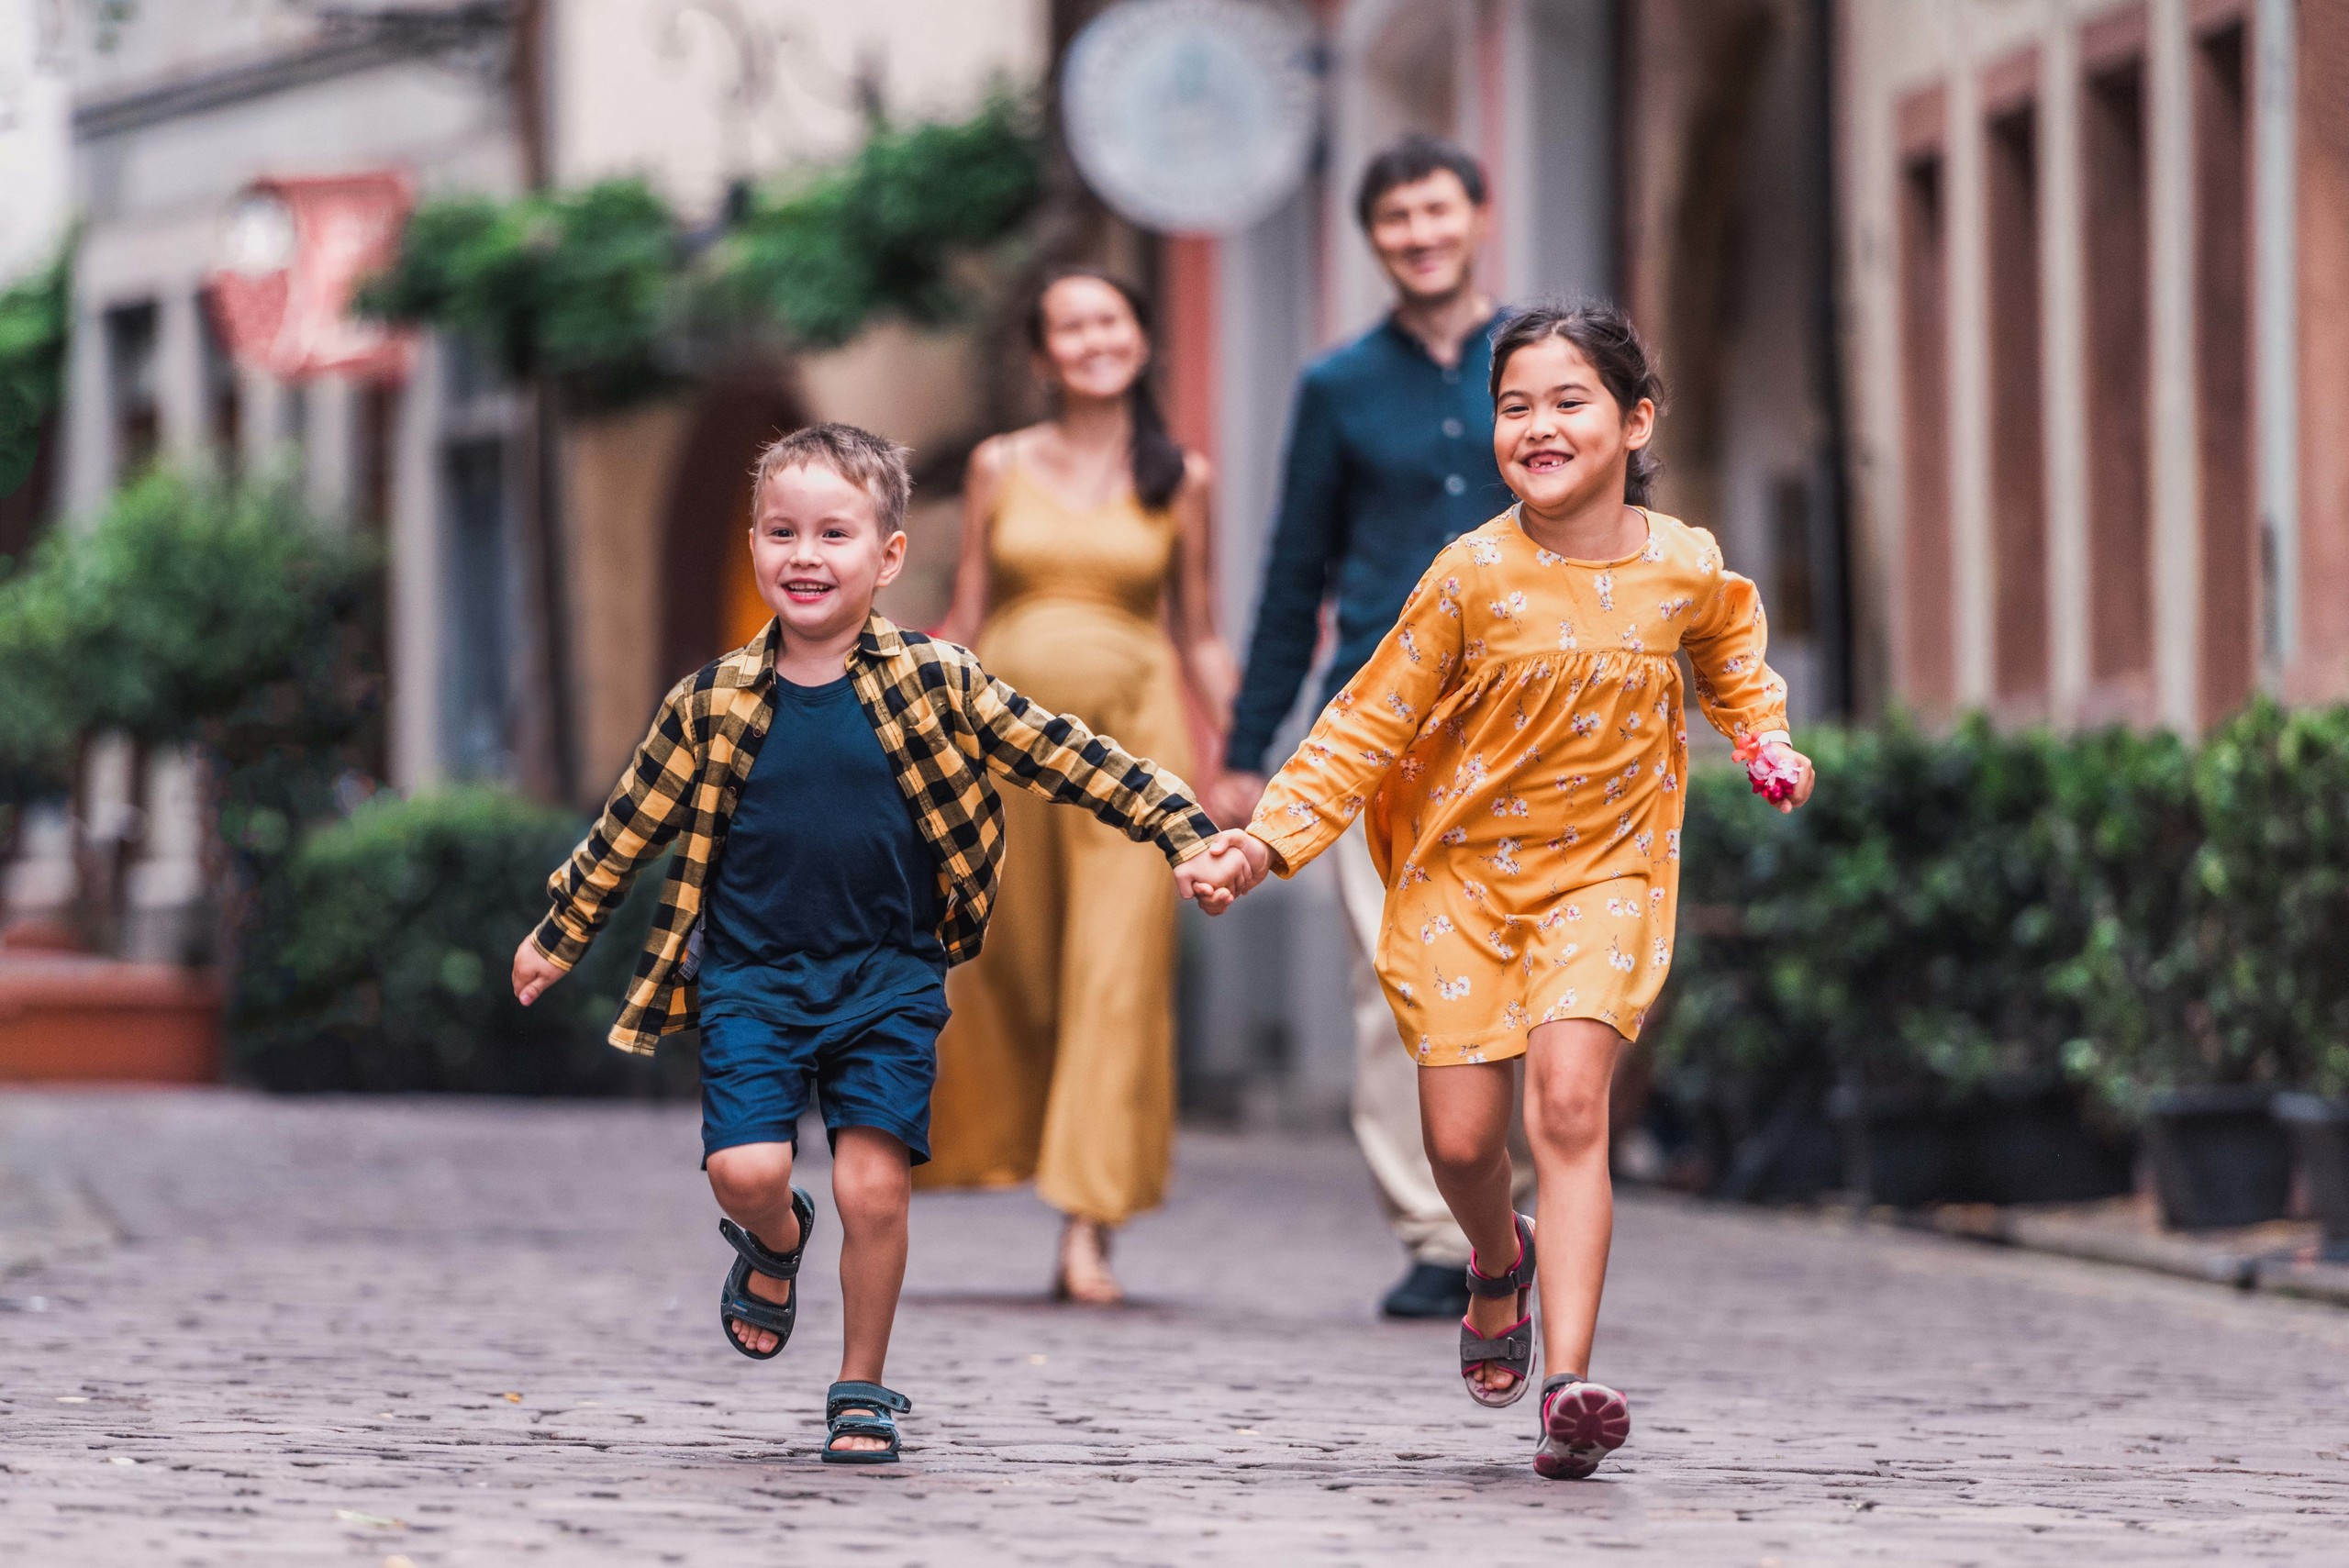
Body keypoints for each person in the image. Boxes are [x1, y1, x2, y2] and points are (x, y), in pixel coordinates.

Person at [508, 423, 1248, 1463]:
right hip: (752, 977)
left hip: (888, 974)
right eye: (780, 531)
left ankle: (861, 1383)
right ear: (757, 544)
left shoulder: (939, 681)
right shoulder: (712, 699)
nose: (804, 555)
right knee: (745, 1166)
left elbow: (1067, 756)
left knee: (874, 1184)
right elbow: (627, 826)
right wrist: (559, 930)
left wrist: (1182, 825)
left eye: (833, 533)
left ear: (888, 556)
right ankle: (775, 1238)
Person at [1201, 304, 1815, 1481]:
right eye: (1514, 405)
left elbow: (1733, 658)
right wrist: (1263, 842)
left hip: (1609, 874)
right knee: (1462, 1139)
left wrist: (1763, 739)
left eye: (1568, 400)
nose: (1537, 426)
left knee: (1570, 1109)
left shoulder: (1683, 561)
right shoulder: (1468, 573)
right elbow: (1364, 725)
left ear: (1635, 420)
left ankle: (1572, 1379)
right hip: (1459, 885)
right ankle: (1496, 1262)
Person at [1206, 133, 1530, 1321]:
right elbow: (1295, 574)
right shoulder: (1337, 388)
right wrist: (1249, 750)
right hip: (1377, 722)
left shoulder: (1539, 362)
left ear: (1478, 213)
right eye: (1396, 218)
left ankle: (1518, 1211)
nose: (1420, 233)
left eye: (1437, 210)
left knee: (1539, 977)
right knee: (1395, 982)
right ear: (1374, 238)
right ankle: (1435, 1233)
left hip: (1528, 719)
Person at [920, 270, 1238, 1305]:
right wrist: (892, 723)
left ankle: (1086, 1229)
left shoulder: (1180, 476)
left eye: (1110, 320)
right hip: (999, 752)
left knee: (1116, 975)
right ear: (1046, 351)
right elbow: (964, 610)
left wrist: (1241, 753)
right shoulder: (996, 464)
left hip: (1137, 755)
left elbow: (1196, 631)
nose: (1093, 340)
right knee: (1005, 968)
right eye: (1070, 326)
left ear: (1141, 339)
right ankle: (996, 1150)